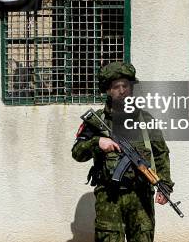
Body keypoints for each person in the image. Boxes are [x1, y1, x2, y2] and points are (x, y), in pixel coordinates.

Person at [72, 62, 173, 242]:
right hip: (110, 198)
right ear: (108, 91)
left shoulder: (146, 119)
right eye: (116, 86)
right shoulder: (96, 121)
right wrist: (97, 142)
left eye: (125, 86)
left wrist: (164, 186)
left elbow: (161, 153)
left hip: (141, 197)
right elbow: (77, 153)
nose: (122, 90)